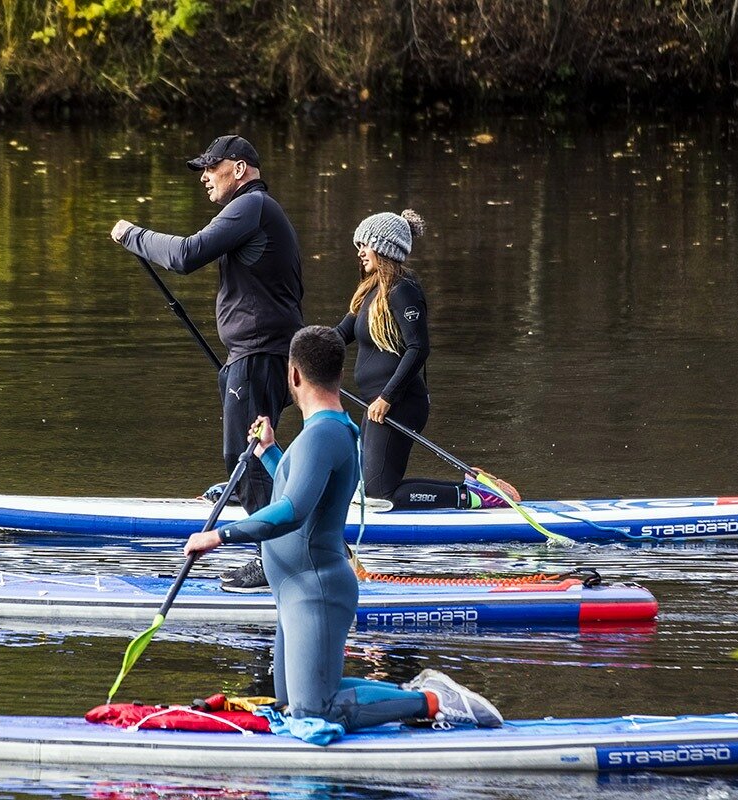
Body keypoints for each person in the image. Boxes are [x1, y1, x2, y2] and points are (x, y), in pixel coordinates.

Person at [183, 326, 503, 736]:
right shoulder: (323, 431)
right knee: (290, 702)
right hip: (295, 590)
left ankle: (435, 701)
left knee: (316, 710)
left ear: (294, 375)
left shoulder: (325, 434)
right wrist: (268, 451)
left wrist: (221, 536)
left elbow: (293, 511)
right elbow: (296, 485)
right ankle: (416, 691)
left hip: (315, 589)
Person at [111, 134, 303, 592]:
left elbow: (185, 255)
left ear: (238, 169)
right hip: (259, 354)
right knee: (252, 453)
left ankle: (269, 561)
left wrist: (132, 235)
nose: (204, 176)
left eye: (211, 166)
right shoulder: (256, 210)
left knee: (244, 457)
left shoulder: (251, 205)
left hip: (259, 354)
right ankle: (291, 545)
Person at [334, 209, 515, 511]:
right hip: (377, 406)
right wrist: (297, 347)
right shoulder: (369, 292)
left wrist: (387, 397)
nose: (360, 252)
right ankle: (471, 490)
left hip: (399, 404)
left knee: (379, 496)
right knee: (364, 493)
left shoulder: (403, 290)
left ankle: (474, 495)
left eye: (365, 244)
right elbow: (339, 335)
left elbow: (418, 348)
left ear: (383, 247)